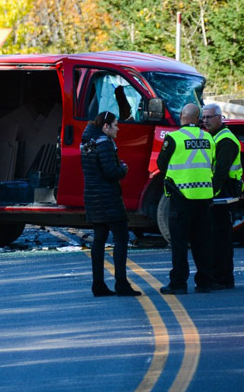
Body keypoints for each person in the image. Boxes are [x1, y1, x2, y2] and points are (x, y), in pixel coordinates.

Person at [156, 103, 217, 295]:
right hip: (205, 197)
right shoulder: (208, 137)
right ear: (198, 118)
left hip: (181, 196)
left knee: (180, 242)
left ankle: (179, 282)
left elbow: (161, 163)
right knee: (203, 241)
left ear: (182, 115)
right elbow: (212, 162)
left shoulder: (174, 138)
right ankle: (205, 281)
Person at [80, 111, 141, 297]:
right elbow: (110, 172)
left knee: (99, 239)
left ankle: (98, 284)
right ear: (105, 126)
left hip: (92, 197)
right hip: (108, 198)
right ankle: (121, 283)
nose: (118, 128)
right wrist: (122, 169)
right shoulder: (104, 143)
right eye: (115, 125)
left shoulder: (87, 141)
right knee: (121, 238)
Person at [201, 103, 242, 289]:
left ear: (220, 117)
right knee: (215, 237)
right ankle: (219, 277)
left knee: (221, 239)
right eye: (203, 117)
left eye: (209, 117)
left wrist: (210, 195)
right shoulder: (214, 136)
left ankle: (224, 278)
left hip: (225, 193)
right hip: (220, 192)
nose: (205, 121)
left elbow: (221, 172)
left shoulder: (226, 140)